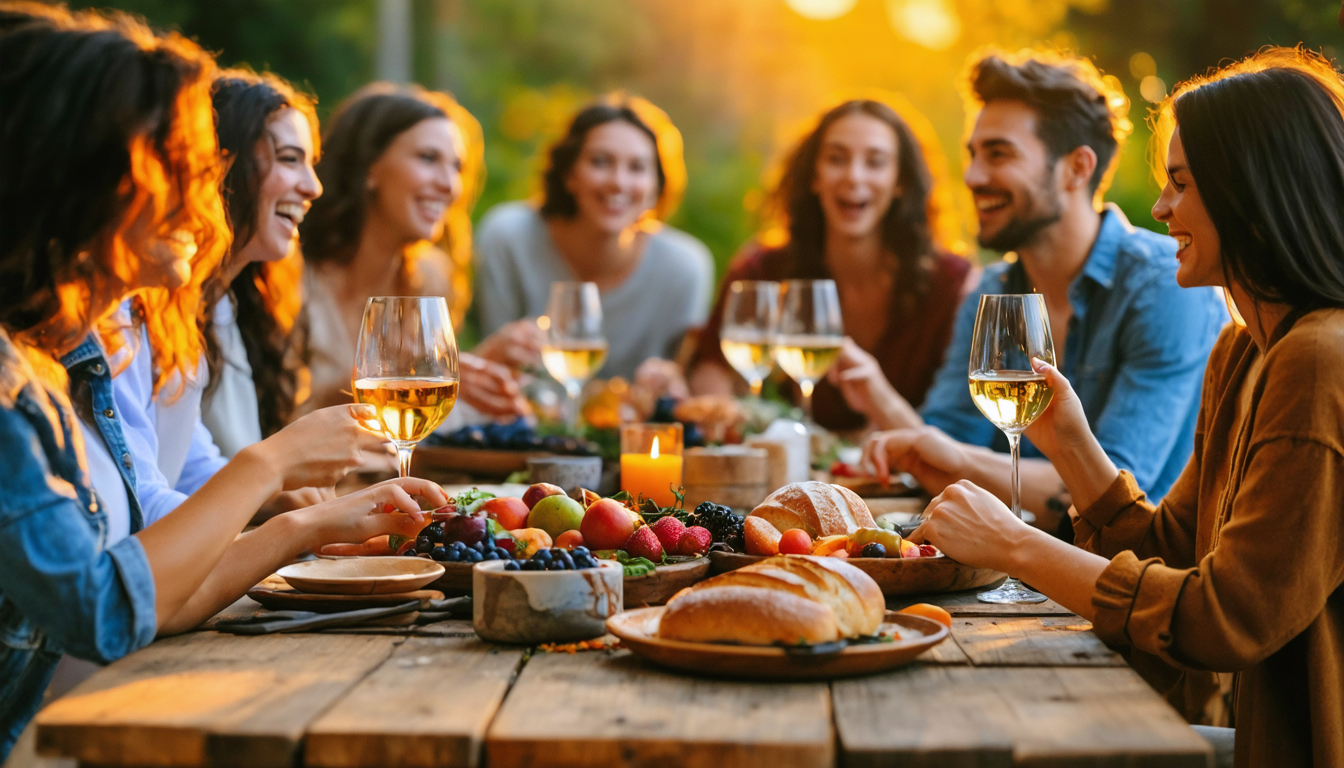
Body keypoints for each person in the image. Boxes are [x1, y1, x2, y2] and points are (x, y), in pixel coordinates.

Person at [0, 8, 443, 757]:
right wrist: (271, 469)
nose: (206, 196)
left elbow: (152, 592)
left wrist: (308, 525)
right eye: (178, 166)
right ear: (79, 173)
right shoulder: (24, 377)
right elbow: (107, 607)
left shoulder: (65, 360)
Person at [907, 47, 1344, 768]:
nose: (1161, 208)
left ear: (1254, 191)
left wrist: (1016, 546)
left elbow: (1225, 618)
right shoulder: (1243, 350)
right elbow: (1173, 547)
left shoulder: (1319, 360)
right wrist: (1074, 447)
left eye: (1182, 183)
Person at [863, 51, 1227, 533]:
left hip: (1127, 567)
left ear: (1076, 168)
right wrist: (937, 453)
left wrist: (956, 460)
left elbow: (1113, 495)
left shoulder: (1163, 286)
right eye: (973, 155)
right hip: (1004, 566)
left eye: (999, 154)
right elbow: (940, 447)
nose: (972, 176)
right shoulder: (992, 292)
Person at [105, 70, 325, 528]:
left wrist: (277, 502)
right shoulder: (127, 309)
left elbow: (190, 465)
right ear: (221, 166)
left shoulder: (212, 306)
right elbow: (141, 505)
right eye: (289, 159)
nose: (313, 187)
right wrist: (287, 512)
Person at [687, 96, 973, 432]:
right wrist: (730, 423)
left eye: (875, 162)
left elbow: (957, 429)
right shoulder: (763, 271)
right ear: (814, 176)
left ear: (901, 181)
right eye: (836, 159)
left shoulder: (951, 286)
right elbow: (711, 369)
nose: (853, 176)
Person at [299, 83, 528, 420]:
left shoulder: (430, 280)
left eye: (457, 167)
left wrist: (483, 365)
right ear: (369, 166)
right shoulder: (291, 278)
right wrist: (396, 379)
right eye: (428, 158)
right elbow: (270, 423)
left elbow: (421, 412)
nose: (449, 185)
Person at [474, 96, 714, 380]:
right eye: (600, 162)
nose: (618, 182)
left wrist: (670, 382)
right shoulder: (508, 237)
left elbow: (682, 382)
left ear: (656, 187)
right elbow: (489, 370)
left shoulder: (685, 268)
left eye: (637, 167)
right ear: (569, 173)